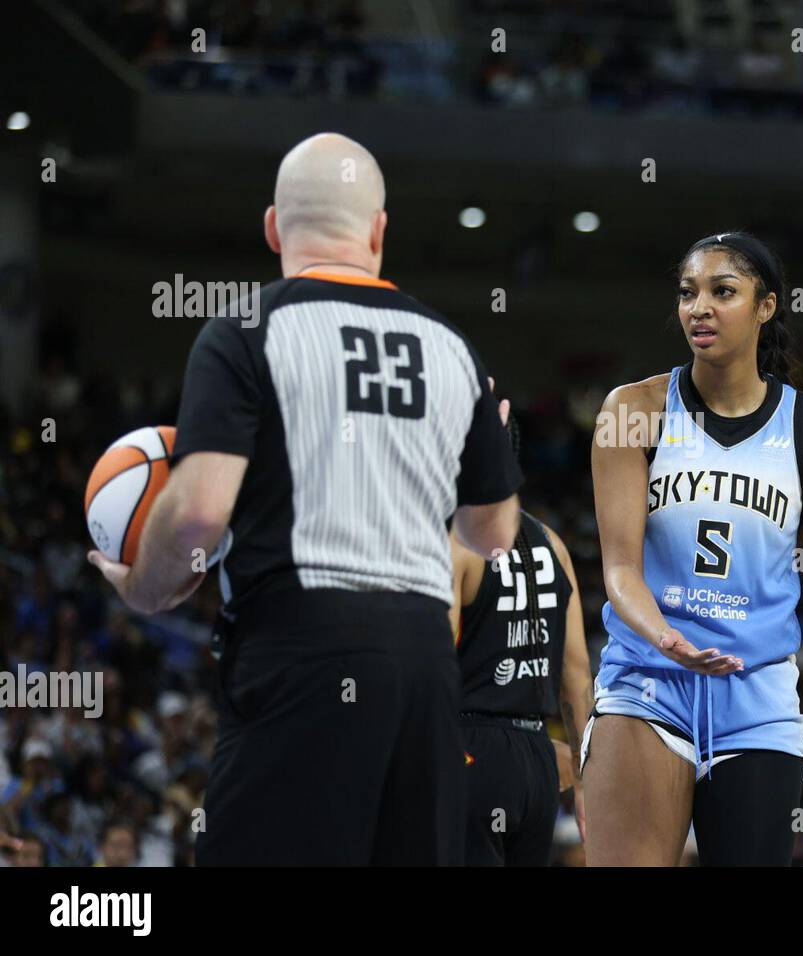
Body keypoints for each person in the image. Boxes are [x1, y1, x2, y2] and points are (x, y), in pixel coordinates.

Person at [88, 132, 522, 865]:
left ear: (272, 227)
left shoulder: (244, 331)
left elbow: (197, 513)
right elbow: (491, 535)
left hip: (301, 649)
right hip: (422, 662)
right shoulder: (452, 346)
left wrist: (144, 586)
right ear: (380, 230)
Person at [584, 231, 803, 866]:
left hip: (758, 697)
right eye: (688, 294)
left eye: (722, 291)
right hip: (649, 679)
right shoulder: (632, 410)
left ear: (766, 307)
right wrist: (667, 640)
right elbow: (621, 569)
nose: (698, 307)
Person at [449, 411, 594, 865]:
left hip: (468, 747)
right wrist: (587, 778)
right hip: (537, 761)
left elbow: (430, 666)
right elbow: (576, 673)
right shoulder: (551, 542)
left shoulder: (453, 540)